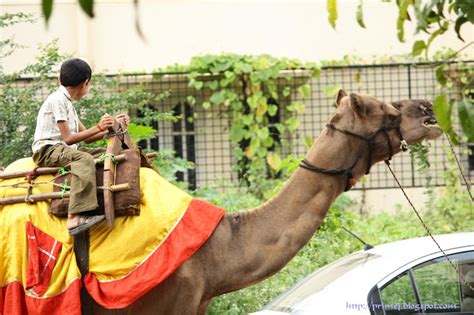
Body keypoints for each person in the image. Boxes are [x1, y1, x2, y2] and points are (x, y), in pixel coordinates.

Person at [32, 58, 129, 236]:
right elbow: (69, 139)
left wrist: (115, 126)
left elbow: (89, 138)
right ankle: (74, 216)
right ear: (85, 83)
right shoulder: (57, 100)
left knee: (106, 153)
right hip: (48, 150)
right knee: (84, 159)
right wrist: (99, 127)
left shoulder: (68, 104)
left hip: (67, 150)